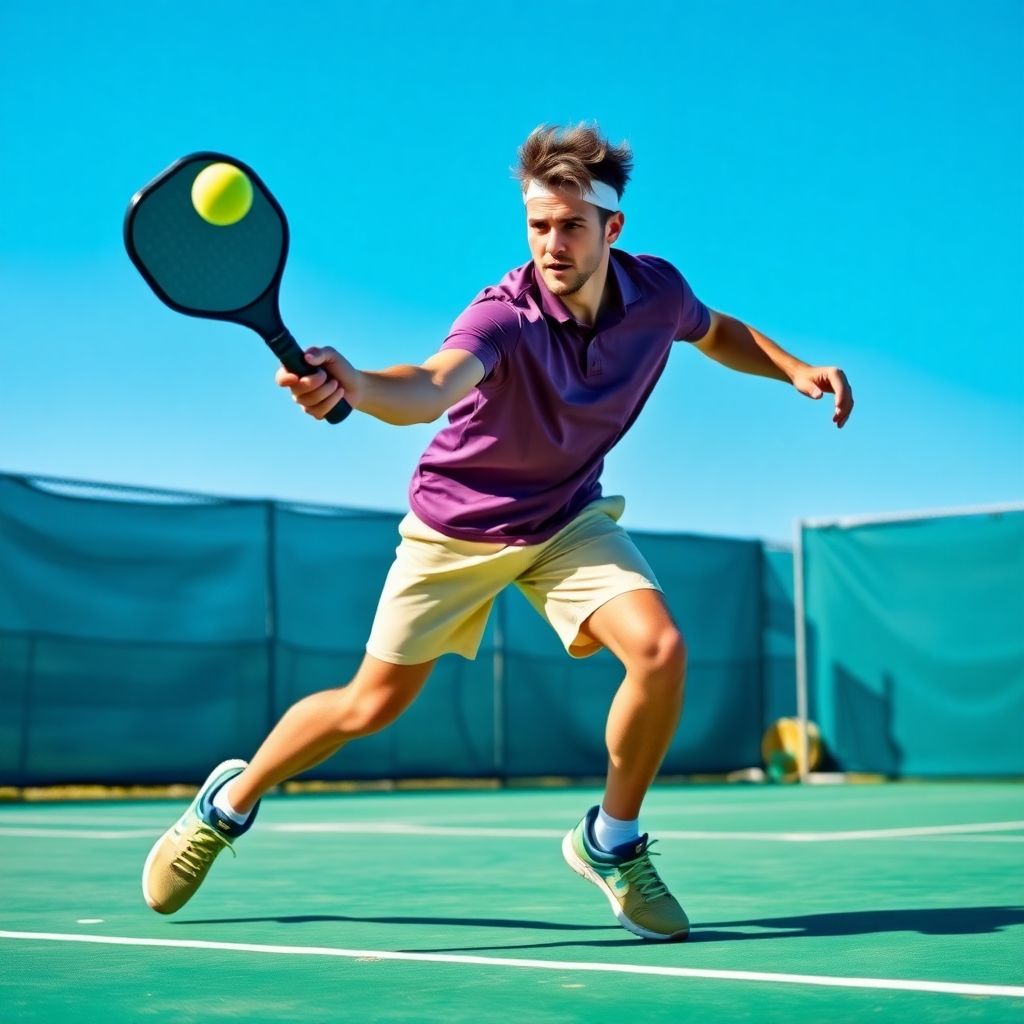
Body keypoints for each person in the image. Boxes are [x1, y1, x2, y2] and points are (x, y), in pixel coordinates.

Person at [142, 124, 853, 942]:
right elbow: (432, 385)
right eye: (538, 225)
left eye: (571, 225)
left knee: (660, 651)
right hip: (458, 527)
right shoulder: (502, 316)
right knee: (369, 704)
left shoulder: (655, 295)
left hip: (562, 517)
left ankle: (611, 843)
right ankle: (225, 805)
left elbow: (714, 329)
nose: (552, 243)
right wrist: (359, 383)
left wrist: (793, 366)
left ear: (612, 229)